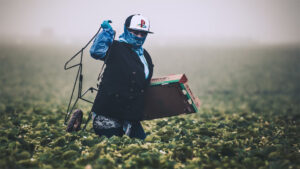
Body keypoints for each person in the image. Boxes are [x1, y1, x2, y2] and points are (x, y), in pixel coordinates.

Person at [89, 14, 154, 140]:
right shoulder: (116, 48)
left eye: (143, 33)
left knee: (141, 145)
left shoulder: (145, 55)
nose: (139, 36)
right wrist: (106, 33)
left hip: (130, 116)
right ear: (126, 30)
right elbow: (96, 51)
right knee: (114, 150)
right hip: (107, 114)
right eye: (135, 32)